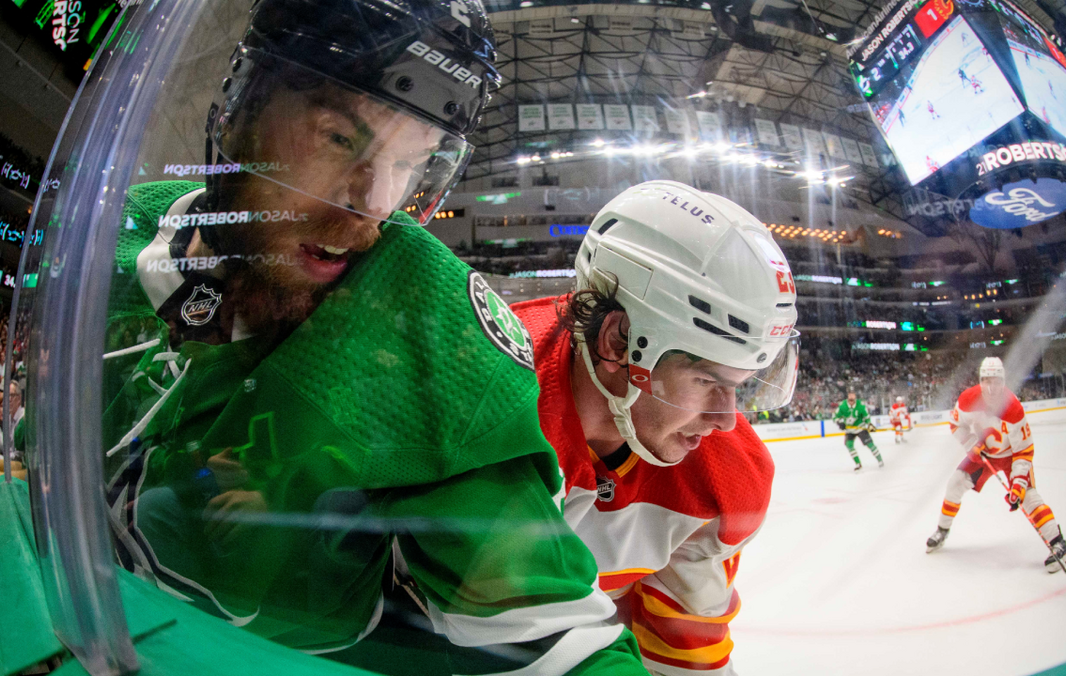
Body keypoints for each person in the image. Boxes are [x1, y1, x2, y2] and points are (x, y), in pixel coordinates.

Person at [99, 0, 645, 672]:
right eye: (338, 138)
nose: (377, 202)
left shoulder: (423, 320)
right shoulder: (118, 236)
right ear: (239, 111)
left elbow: (566, 649)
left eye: (412, 163)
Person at [510, 180, 797, 675]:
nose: (727, 420)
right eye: (707, 380)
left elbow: (685, 653)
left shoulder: (727, 478)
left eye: (739, 385)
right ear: (618, 342)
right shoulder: (490, 406)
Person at [926, 357, 1066, 573]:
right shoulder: (967, 400)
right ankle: (942, 530)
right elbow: (956, 425)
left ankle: (1058, 543)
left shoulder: (1014, 408)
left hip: (1012, 456)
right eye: (986, 381)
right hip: (983, 455)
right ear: (980, 381)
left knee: (1028, 496)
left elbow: (1024, 450)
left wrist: (1018, 483)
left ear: (1003, 382)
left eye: (996, 381)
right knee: (954, 484)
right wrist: (970, 443)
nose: (991, 388)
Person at [834, 391, 883, 471]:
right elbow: (835, 416)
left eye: (853, 396)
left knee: (870, 444)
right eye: (850, 396)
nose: (851, 398)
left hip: (860, 428)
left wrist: (869, 424)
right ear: (848, 397)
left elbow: (866, 417)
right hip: (849, 430)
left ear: (855, 397)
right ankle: (858, 464)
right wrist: (839, 422)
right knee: (849, 445)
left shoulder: (861, 406)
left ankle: (880, 460)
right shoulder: (842, 406)